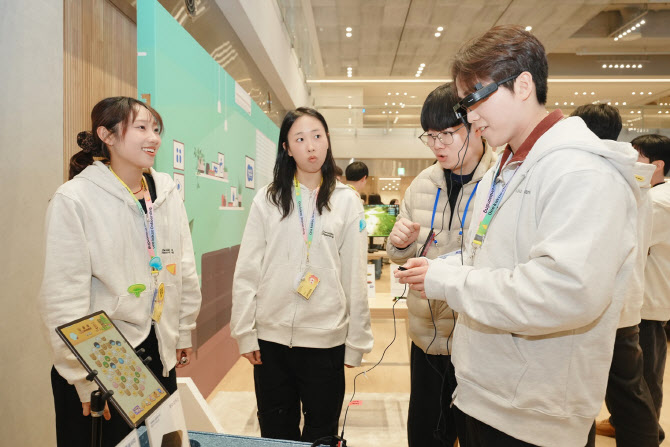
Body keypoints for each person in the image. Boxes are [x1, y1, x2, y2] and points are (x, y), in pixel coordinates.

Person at [395, 25, 640, 447]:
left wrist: (449, 280)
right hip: (484, 393)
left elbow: (565, 292)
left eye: (475, 99)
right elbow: (489, 258)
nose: (471, 116)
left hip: (534, 413)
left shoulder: (581, 171)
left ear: (523, 85)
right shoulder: (505, 169)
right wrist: (442, 267)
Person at [40, 97, 202, 447]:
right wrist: (83, 377)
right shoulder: (75, 199)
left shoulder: (166, 193)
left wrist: (183, 331)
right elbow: (62, 297)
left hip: (158, 350)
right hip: (103, 359)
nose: (154, 138)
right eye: (141, 128)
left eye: (155, 129)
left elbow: (184, 268)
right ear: (107, 135)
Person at [231, 107, 373, 443]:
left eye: (317, 136)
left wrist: (356, 342)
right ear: (286, 148)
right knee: (276, 435)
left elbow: (355, 277)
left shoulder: (347, 202)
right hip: (271, 342)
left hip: (326, 341)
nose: (310, 146)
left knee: (321, 435)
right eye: (299, 139)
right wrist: (244, 332)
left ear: (327, 141)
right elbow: (248, 269)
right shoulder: (268, 199)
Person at [387, 83, 496, 447]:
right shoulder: (421, 184)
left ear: (476, 125)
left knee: (477, 435)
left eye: (447, 134)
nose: (438, 145)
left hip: (480, 341)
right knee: (425, 435)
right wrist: (399, 243)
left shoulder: (500, 182)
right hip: (428, 339)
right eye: (430, 136)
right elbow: (399, 256)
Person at [570, 104, 659, 446]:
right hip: (626, 300)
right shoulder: (634, 171)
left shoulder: (592, 170)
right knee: (629, 390)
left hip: (596, 302)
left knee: (580, 393)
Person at [629, 134, 670, 443]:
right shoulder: (657, 195)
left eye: (637, 156)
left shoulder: (657, 203)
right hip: (650, 298)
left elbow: (633, 244)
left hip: (648, 302)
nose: (631, 162)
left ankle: (649, 431)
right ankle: (633, 423)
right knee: (643, 370)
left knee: (645, 375)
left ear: (657, 165)